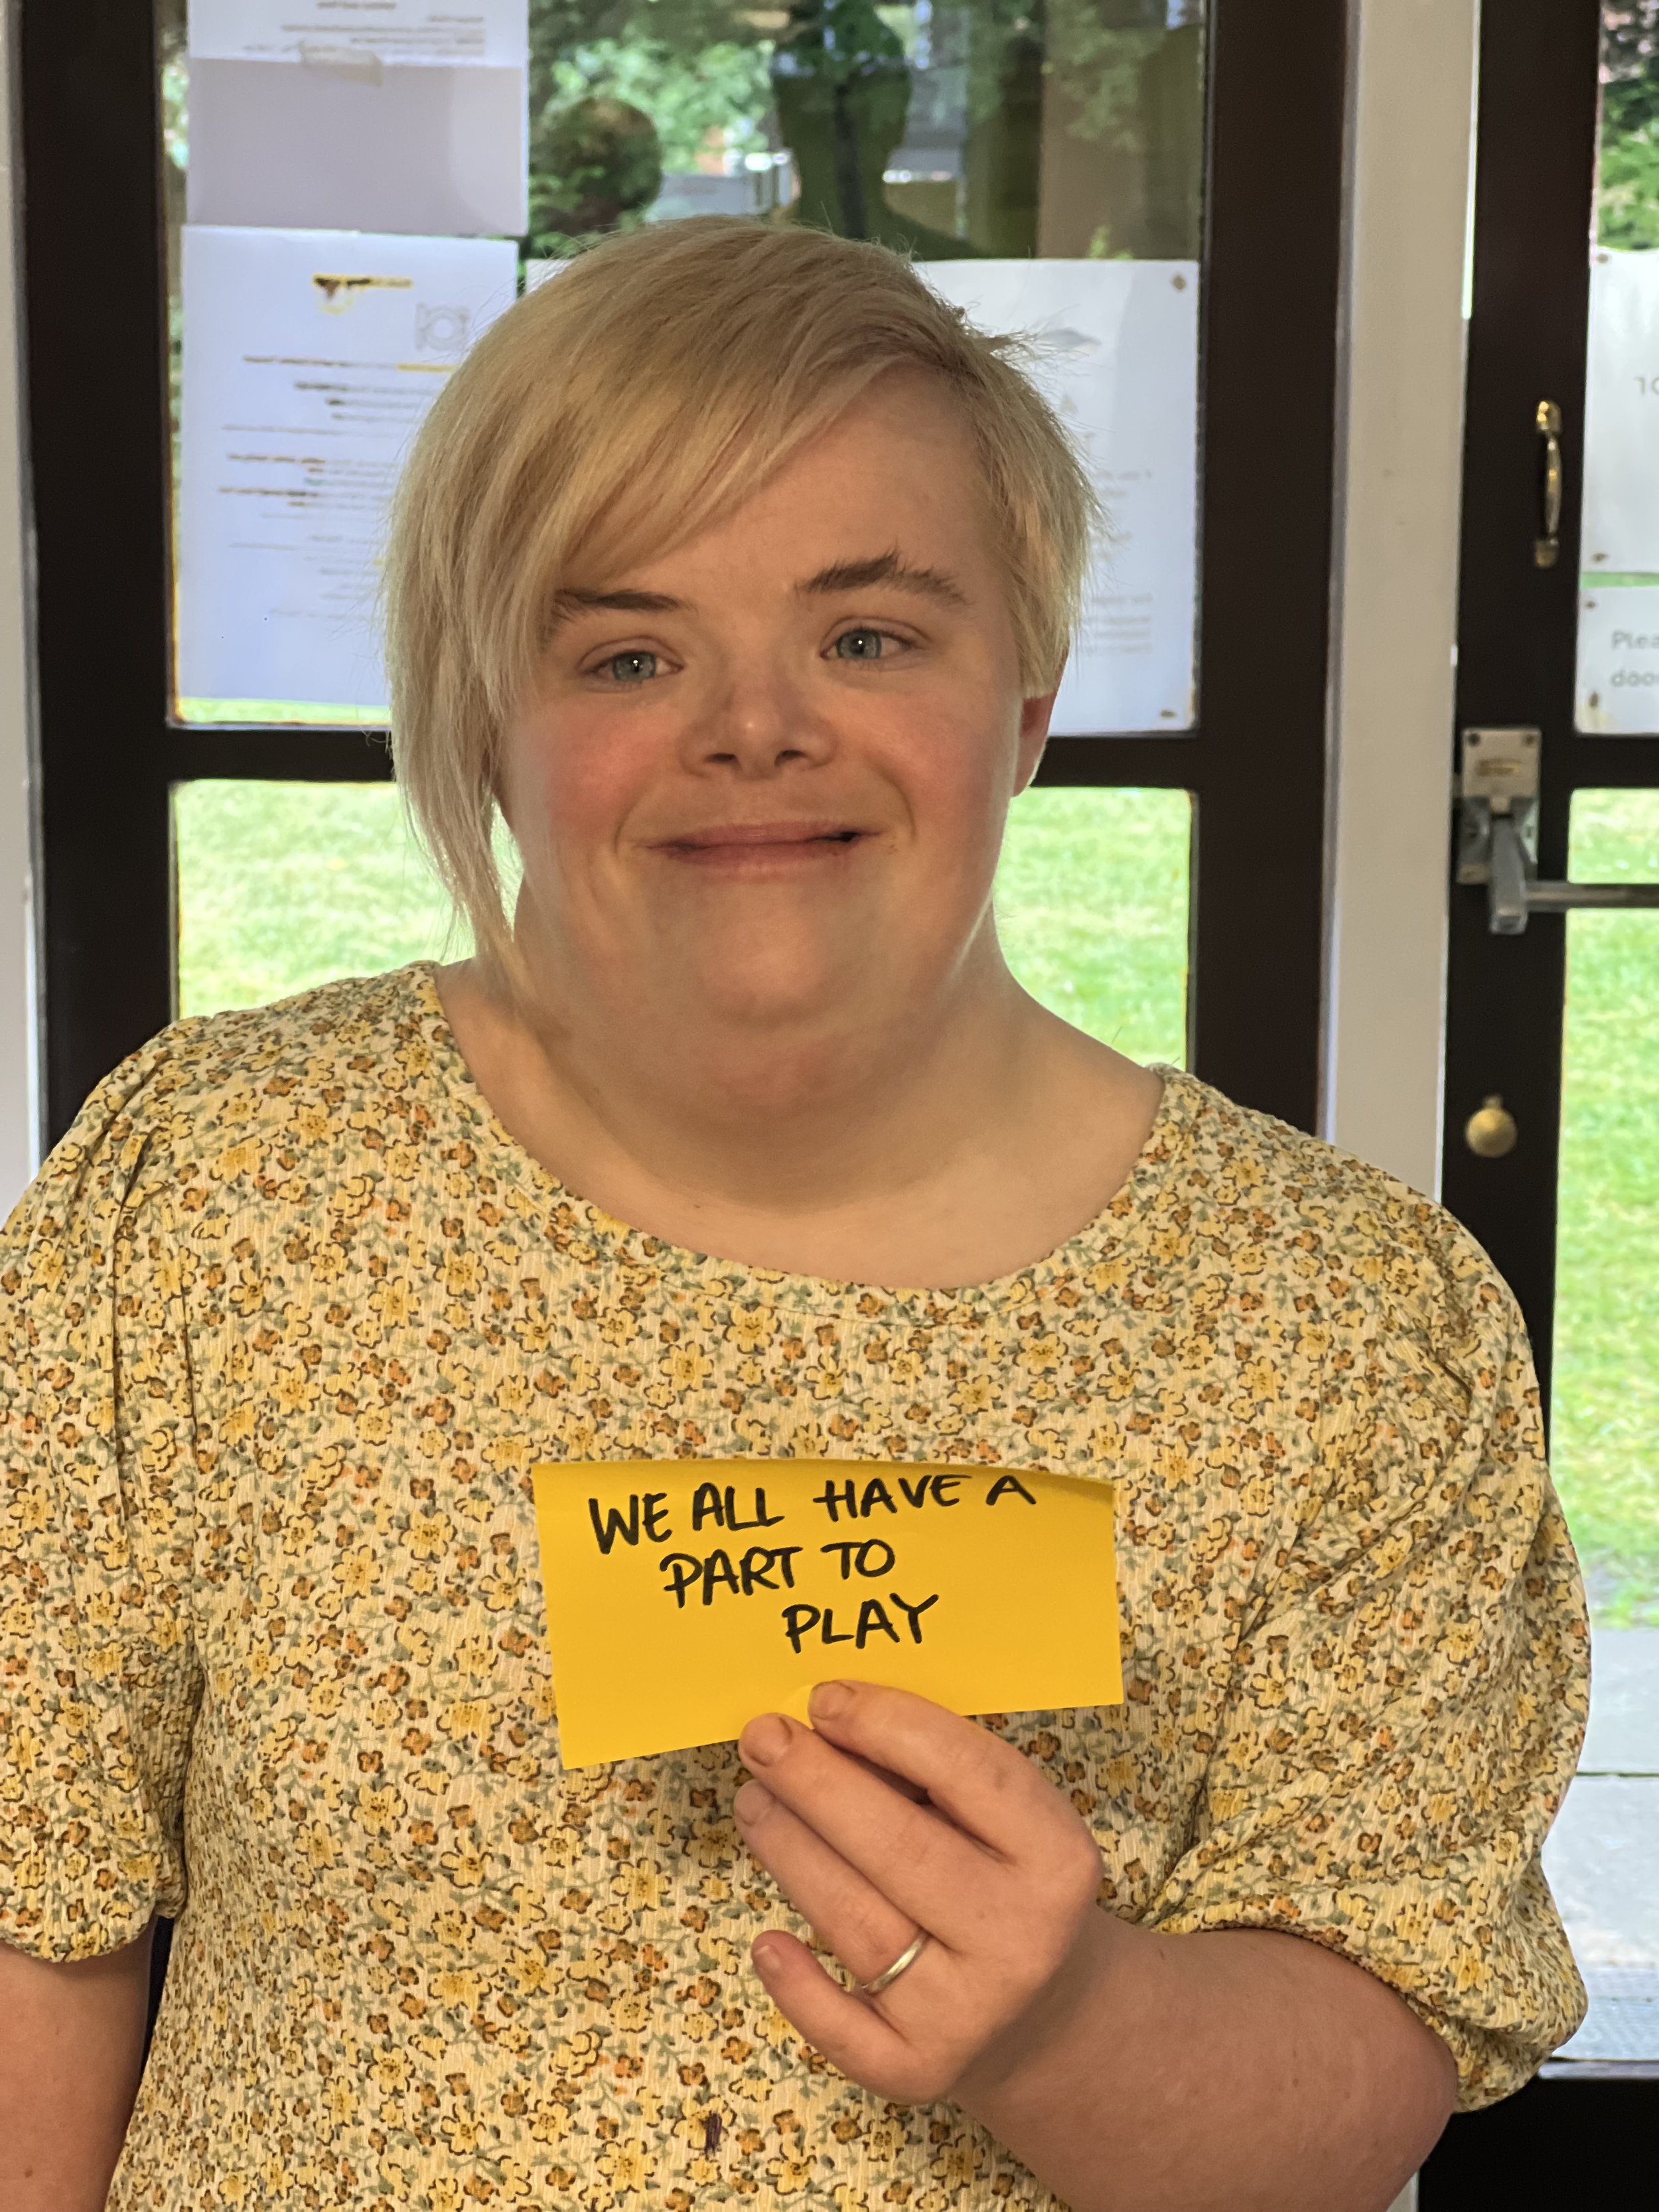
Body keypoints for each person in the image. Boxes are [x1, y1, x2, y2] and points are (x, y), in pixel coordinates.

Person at [0, 216, 1586, 2212]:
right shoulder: (214, 1198)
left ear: (1021, 695)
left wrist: (1067, 2024)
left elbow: (1366, 2065)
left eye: (867, 633)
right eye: (629, 651)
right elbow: (30, 1913)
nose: (754, 726)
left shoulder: (1342, 1327)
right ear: (491, 722)